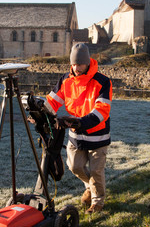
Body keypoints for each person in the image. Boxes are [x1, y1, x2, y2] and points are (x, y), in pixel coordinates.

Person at [45, 43, 112, 213]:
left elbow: (101, 111)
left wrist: (81, 123)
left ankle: (97, 202)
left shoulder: (103, 82)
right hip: (76, 135)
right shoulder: (66, 79)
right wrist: (41, 113)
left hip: (98, 136)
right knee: (75, 167)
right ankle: (90, 187)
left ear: (88, 62)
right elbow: (53, 101)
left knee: (96, 171)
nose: (76, 68)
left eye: (80, 64)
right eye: (73, 64)